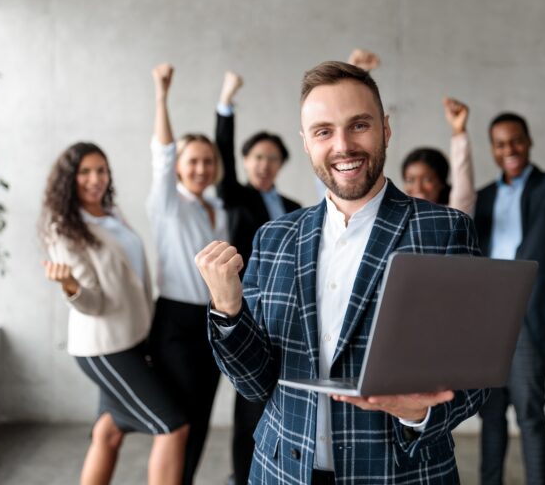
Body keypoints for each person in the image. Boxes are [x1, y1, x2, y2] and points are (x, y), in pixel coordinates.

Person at [195, 61, 489, 484]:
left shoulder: (444, 231)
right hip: (282, 471)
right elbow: (254, 383)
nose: (343, 145)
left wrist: (422, 412)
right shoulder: (274, 237)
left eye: (359, 125)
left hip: (400, 474)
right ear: (307, 143)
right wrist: (228, 309)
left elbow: (475, 370)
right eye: (324, 131)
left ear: (385, 129)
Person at [40, 142, 189, 485]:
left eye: (101, 170)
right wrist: (70, 287)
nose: (96, 179)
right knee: (173, 426)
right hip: (104, 347)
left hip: (133, 338)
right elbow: (94, 304)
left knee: (108, 433)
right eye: (85, 172)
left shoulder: (111, 214)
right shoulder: (64, 230)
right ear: (69, 179)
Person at [473, 106, 545, 485]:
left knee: (529, 414)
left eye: (516, 140)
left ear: (529, 141)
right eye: (500, 143)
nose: (510, 149)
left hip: (527, 318)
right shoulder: (484, 197)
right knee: (490, 416)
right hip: (488, 319)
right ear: (492, 149)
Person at [213, 73, 302, 485]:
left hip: (287, 309)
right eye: (257, 158)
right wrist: (226, 103)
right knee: (248, 398)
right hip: (247, 307)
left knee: (281, 394)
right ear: (247, 163)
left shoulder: (293, 206)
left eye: (272, 158)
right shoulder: (236, 195)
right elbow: (223, 155)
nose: (264, 165)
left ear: (282, 164)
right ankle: (241, 475)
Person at [147, 63, 229, 484]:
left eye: (208, 161)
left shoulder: (215, 208)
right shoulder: (168, 205)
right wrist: (162, 96)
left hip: (211, 322)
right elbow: (161, 155)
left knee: (199, 419)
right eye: (192, 161)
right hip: (176, 321)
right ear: (179, 167)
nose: (201, 168)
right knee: (175, 422)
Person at [401, 97, 476, 214]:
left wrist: (459, 130)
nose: (418, 188)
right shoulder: (398, 217)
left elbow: (463, 184)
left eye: (427, 179)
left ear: (441, 183)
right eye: (410, 180)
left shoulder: (453, 215)